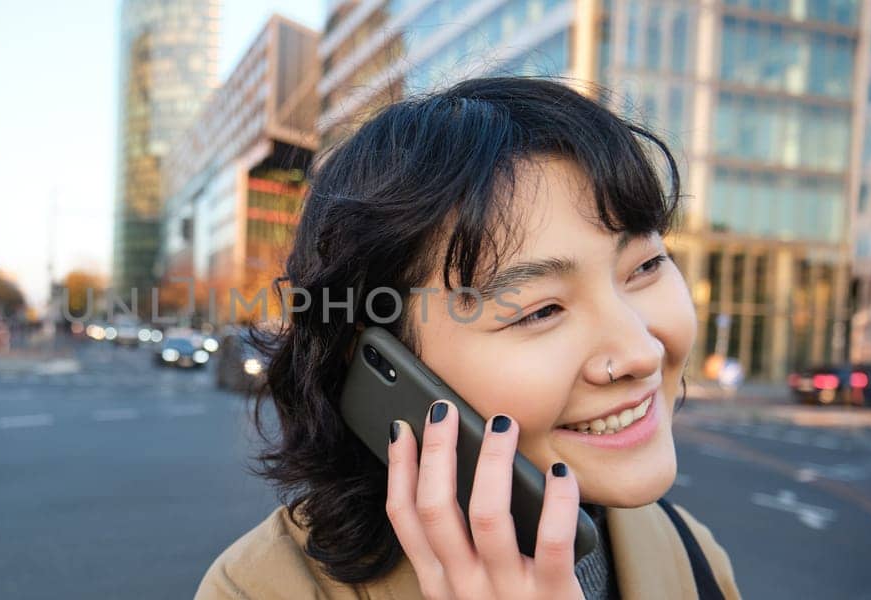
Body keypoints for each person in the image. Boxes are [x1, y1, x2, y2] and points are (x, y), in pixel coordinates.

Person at [195, 77, 739, 599]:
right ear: (378, 362)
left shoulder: (686, 549)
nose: (641, 352)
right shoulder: (262, 588)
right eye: (539, 310)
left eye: (645, 267)